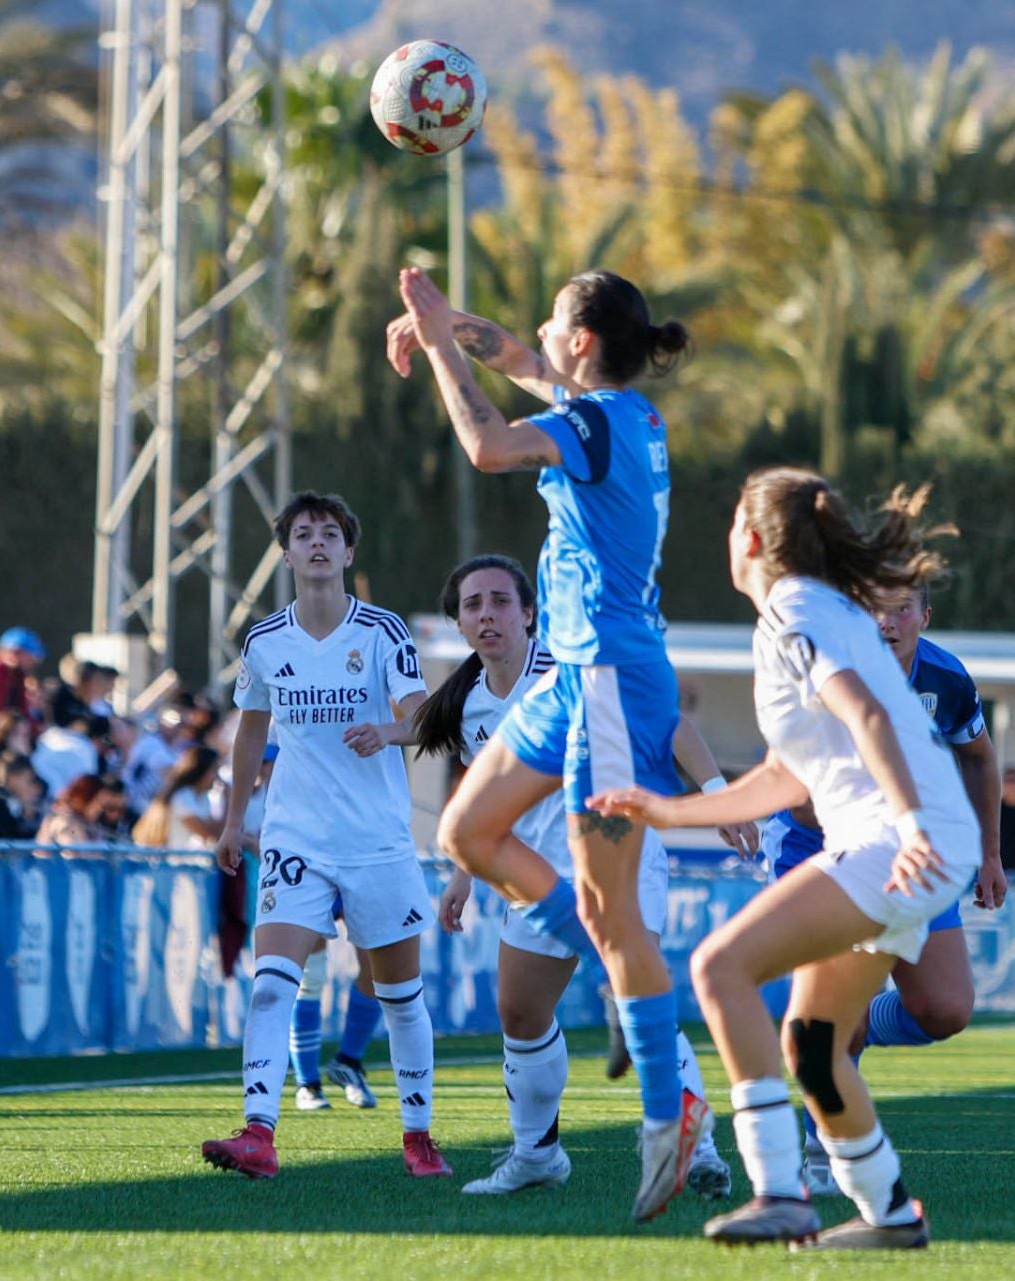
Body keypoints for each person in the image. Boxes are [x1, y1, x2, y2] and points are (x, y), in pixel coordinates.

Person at [388, 266, 705, 1220]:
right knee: (468, 833)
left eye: (554, 323)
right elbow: (525, 362)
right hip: (574, 677)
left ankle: (671, 1112)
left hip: (607, 682)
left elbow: (486, 445)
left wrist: (442, 342)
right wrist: (450, 326)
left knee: (615, 915)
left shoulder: (597, 422)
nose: (537, 333)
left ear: (584, 341)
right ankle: (619, 990)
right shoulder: (621, 413)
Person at [591, 471, 977, 1249]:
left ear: (756, 540)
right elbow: (786, 776)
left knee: (718, 967)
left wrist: (908, 826)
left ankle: (779, 1191)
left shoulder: (795, 611)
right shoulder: (815, 613)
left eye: (736, 518)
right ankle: (892, 1216)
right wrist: (672, 809)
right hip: (909, 837)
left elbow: (865, 712)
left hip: (892, 838)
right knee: (812, 1042)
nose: (728, 533)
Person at [396, 553, 738, 1197]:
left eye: (501, 601)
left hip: (619, 855)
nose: (487, 614)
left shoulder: (572, 666)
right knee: (520, 1012)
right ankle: (537, 1155)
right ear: (461, 625)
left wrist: (716, 793)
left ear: (530, 613)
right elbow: (483, 787)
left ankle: (700, 1147)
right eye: (473, 605)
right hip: (534, 876)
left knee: (633, 995)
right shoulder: (467, 703)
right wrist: (464, 875)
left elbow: (667, 723)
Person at [200, 491, 445, 1182]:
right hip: (293, 838)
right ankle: (258, 1130)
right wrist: (232, 820)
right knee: (272, 983)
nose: (316, 542)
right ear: (285, 553)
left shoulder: (382, 632)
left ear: (347, 551)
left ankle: (419, 1134)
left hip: (376, 842)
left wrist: (389, 730)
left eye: (329, 533)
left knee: (400, 997)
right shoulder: (265, 640)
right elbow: (251, 729)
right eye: (303, 533)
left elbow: (422, 717)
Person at [752, 579, 1005, 1193]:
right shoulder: (823, 668)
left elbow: (979, 758)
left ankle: (856, 1028)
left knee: (944, 1010)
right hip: (817, 847)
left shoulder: (945, 679)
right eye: (872, 607)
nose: (886, 622)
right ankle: (821, 1149)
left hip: (906, 848)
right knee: (840, 1018)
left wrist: (991, 854)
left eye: (901, 607)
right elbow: (802, 798)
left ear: (925, 614)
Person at [133, 748, 221, 850]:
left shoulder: (204, 797)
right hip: (176, 862)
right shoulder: (182, 796)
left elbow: (218, 830)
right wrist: (228, 799)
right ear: (200, 770)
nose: (217, 777)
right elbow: (208, 834)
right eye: (214, 770)